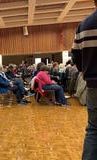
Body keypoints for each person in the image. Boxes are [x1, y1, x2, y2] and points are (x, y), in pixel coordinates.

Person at [71, 1, 97, 159]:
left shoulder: (84, 25)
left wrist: (82, 71)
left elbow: (75, 55)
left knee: (94, 130)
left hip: (94, 85)